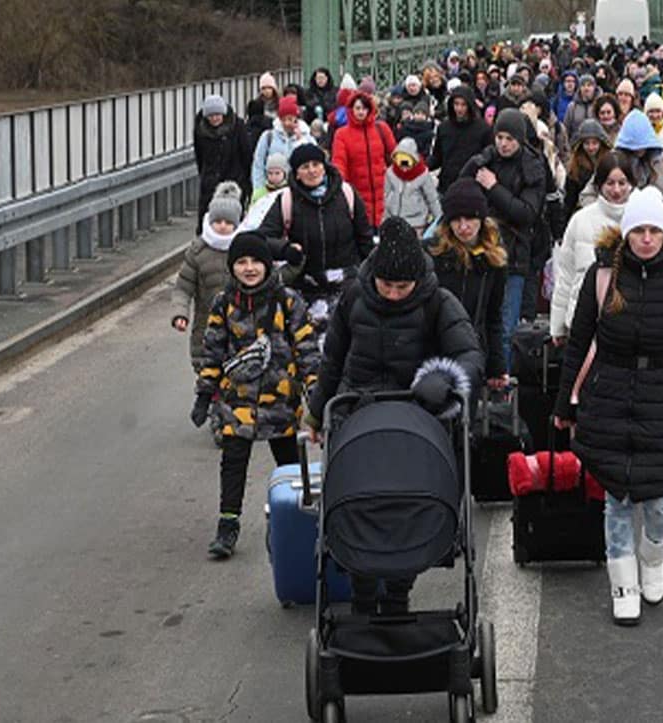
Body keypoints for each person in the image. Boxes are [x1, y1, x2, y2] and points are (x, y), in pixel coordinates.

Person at [552, 187, 663, 625]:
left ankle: (653, 558)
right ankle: (623, 581)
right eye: (639, 231)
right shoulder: (601, 276)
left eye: (654, 231)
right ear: (626, 232)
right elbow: (578, 343)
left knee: (660, 498)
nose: (646, 239)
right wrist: (563, 405)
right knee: (615, 497)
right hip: (609, 393)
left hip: (662, 396)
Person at [305, 216, 484, 613]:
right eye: (387, 285)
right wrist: (317, 414)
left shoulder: (439, 303)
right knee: (358, 499)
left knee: (408, 503)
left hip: (417, 411)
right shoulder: (354, 297)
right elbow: (333, 359)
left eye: (402, 287)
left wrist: (444, 379)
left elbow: (470, 355)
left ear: (418, 280)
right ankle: (362, 588)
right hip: (358, 409)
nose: (393, 293)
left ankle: (400, 588)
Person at [192, 232, 320, 559]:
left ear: (267, 265)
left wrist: (316, 395)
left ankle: (299, 520)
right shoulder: (224, 303)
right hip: (238, 401)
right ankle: (228, 523)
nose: (249, 269)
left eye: (255, 262)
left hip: (280, 400)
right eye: (241, 262)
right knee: (233, 461)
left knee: (290, 466)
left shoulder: (287, 300)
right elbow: (213, 351)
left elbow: (306, 350)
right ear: (232, 267)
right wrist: (205, 394)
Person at [257, 144, 375, 342]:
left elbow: (365, 240)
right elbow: (261, 240)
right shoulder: (287, 200)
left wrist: (372, 277)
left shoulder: (347, 195)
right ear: (296, 173)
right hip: (305, 290)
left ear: (324, 166)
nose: (312, 171)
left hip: (347, 288)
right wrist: (286, 250)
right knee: (309, 353)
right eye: (304, 167)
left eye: (316, 164)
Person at [458, 109, 547, 368]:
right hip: (481, 249)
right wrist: (476, 163)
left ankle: (502, 380)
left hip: (514, 254)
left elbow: (526, 213)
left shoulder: (532, 167)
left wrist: (493, 188)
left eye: (509, 138)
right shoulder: (486, 160)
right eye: (499, 137)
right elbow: (460, 189)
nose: (503, 144)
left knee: (506, 327)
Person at [427, 179, 510, 387]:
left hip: (473, 352)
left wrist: (496, 365)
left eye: (470, 219)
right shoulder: (433, 254)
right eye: (456, 220)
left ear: (481, 219)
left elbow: (493, 316)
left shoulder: (494, 261)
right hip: (435, 351)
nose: (463, 227)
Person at [550, 152, 635, 341]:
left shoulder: (642, 222)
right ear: (599, 185)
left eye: (622, 183)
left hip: (628, 324)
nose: (616, 190)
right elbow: (566, 274)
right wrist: (557, 325)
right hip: (582, 321)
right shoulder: (580, 220)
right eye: (610, 183)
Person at [172, 182, 244, 371]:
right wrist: (181, 313)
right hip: (205, 329)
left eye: (228, 223)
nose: (222, 226)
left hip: (240, 329)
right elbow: (183, 287)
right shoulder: (198, 251)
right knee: (208, 378)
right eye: (218, 221)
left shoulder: (244, 250)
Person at [330, 92, 398, 227]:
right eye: (358, 108)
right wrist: (340, 186)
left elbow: (395, 155)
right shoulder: (342, 134)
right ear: (351, 110)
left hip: (383, 192)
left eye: (364, 108)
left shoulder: (382, 129)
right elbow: (339, 162)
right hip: (357, 194)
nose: (361, 112)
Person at [610, 110, 663, 220]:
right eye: (633, 147)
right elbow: (588, 195)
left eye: (642, 145)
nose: (639, 150)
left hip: (660, 225)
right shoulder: (613, 160)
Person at [193, 95, 252, 233]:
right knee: (208, 221)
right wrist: (205, 176)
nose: (214, 119)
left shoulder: (237, 126)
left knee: (232, 221)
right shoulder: (200, 130)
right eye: (211, 116)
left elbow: (246, 153)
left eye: (217, 115)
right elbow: (199, 156)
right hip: (210, 181)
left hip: (234, 180)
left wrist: (246, 181)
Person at [430, 85, 494, 195]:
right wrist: (421, 166)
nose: (459, 109)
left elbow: (489, 159)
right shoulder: (444, 127)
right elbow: (437, 157)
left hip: (472, 187)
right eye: (456, 104)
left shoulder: (483, 129)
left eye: (463, 105)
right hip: (447, 185)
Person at [251, 96, 314, 197]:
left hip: (299, 192)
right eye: (283, 119)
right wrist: (259, 189)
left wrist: (301, 140)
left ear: (296, 119)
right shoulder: (268, 136)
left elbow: (313, 161)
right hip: (271, 190)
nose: (286, 123)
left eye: (290, 119)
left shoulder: (307, 137)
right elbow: (258, 163)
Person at [384, 138, 441, 237]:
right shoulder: (390, 173)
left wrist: (439, 221)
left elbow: (432, 199)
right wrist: (384, 220)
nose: (403, 167)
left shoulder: (423, 174)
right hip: (394, 221)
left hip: (416, 224)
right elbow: (385, 196)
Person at [564, 119, 611, 218]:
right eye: (587, 143)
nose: (591, 147)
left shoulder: (609, 162)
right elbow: (569, 201)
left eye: (594, 143)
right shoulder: (575, 167)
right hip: (583, 213)